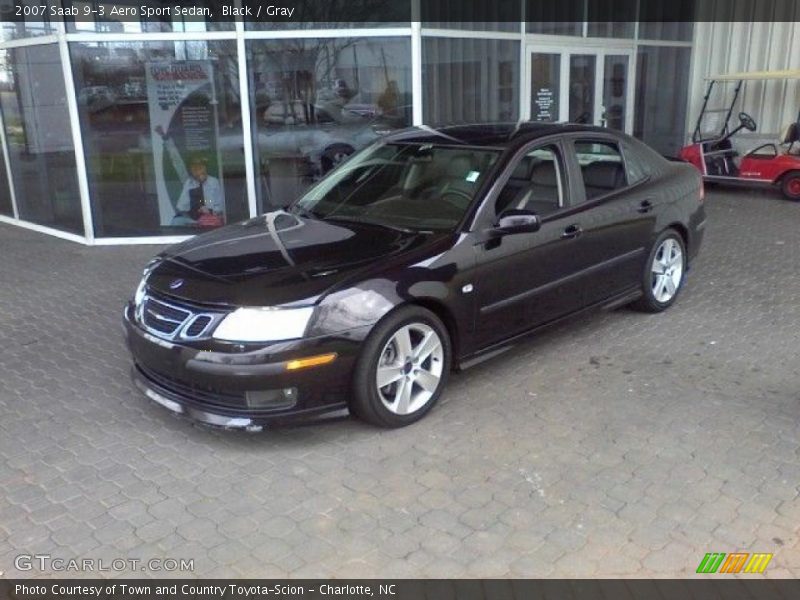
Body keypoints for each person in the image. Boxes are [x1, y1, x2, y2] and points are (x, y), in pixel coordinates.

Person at [154, 126, 225, 227]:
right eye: (194, 168)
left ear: (205, 168)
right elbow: (176, 160)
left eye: (201, 167)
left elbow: (219, 206)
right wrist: (165, 138)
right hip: (191, 219)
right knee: (176, 222)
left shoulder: (213, 182)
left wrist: (208, 208)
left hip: (208, 219)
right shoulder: (188, 181)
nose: (198, 170)